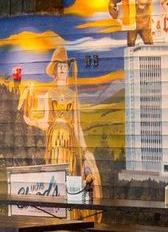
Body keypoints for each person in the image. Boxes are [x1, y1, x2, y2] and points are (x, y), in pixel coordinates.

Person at [12, 46, 102, 195]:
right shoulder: (49, 94)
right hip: (54, 142)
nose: (61, 69)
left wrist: (85, 150)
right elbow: (47, 123)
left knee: (69, 173)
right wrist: (33, 122)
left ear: (68, 70)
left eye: (64, 66)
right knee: (56, 175)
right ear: (54, 70)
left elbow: (77, 127)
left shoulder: (73, 95)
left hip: (69, 143)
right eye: (59, 66)